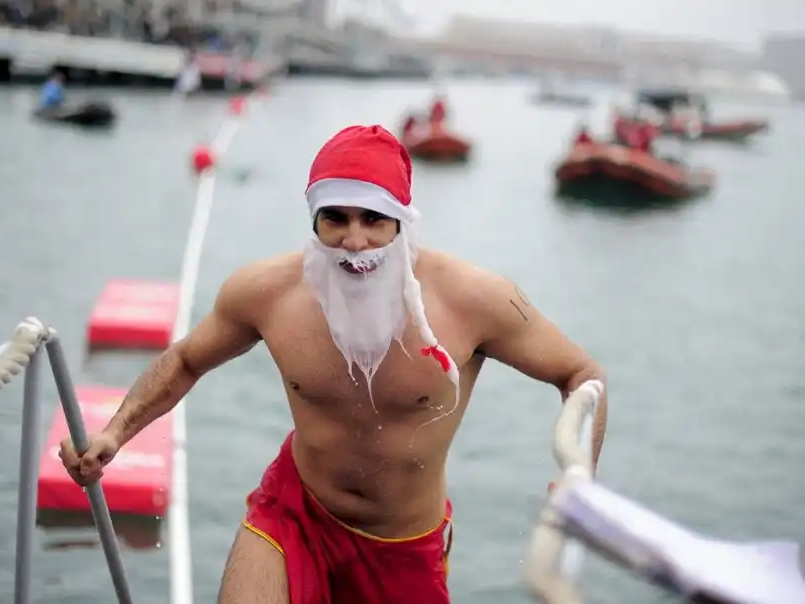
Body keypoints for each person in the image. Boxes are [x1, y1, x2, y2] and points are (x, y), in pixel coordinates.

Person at [58, 125, 608, 604]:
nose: (354, 240)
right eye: (335, 219)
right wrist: (115, 433)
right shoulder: (267, 293)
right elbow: (185, 360)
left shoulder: (473, 300)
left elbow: (581, 375)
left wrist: (578, 478)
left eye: (374, 219)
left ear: (402, 221)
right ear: (314, 219)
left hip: (403, 543)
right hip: (294, 513)